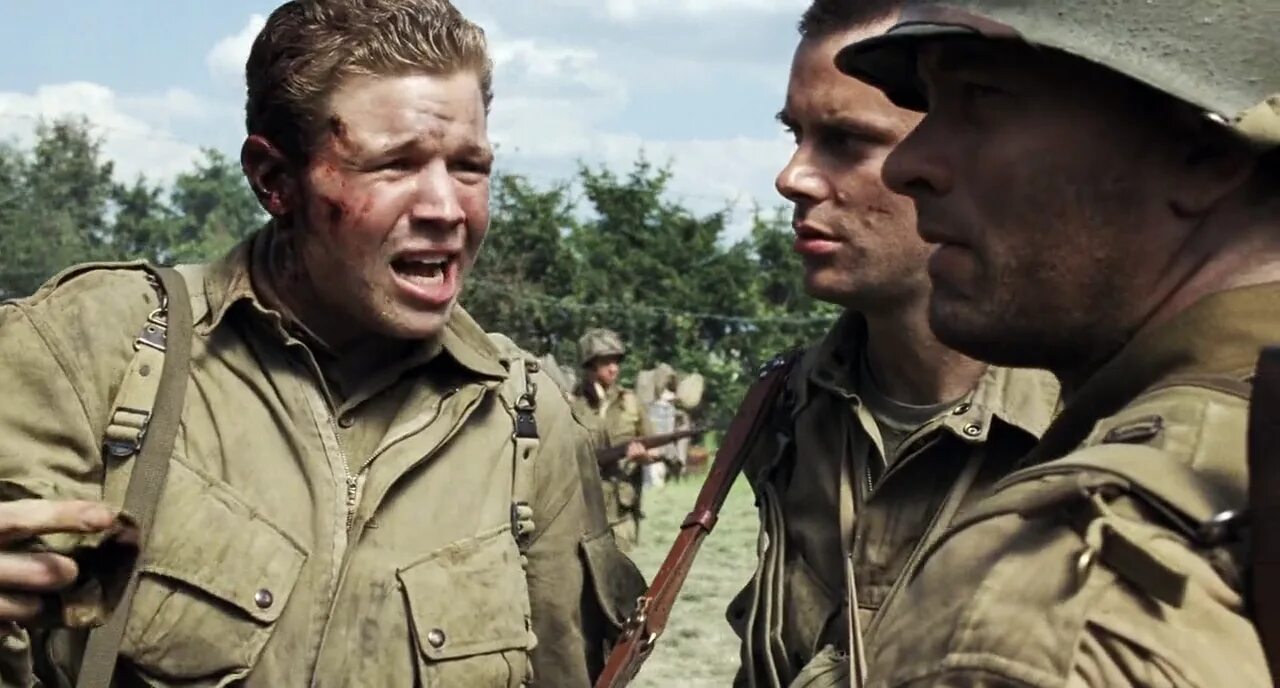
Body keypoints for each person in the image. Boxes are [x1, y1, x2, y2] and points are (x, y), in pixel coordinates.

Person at [0, 1, 644, 685]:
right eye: (395, 165)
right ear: (275, 180)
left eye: (468, 166)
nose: (446, 208)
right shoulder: (97, 345)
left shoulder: (530, 424)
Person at [834, 0, 1280, 685]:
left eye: (981, 95)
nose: (907, 165)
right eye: (929, 105)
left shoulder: (1043, 608)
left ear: (1205, 154)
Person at [722, 2, 1060, 686]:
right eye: (796, 134)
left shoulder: (1090, 423)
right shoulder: (792, 410)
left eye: (846, 139)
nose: (793, 177)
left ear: (953, 159)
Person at [570, 328, 654, 552]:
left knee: (620, 578)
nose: (614, 368)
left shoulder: (631, 403)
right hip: (579, 510)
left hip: (620, 511)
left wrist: (643, 457)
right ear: (589, 365)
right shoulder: (571, 403)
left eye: (616, 361)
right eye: (606, 362)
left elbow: (653, 448)